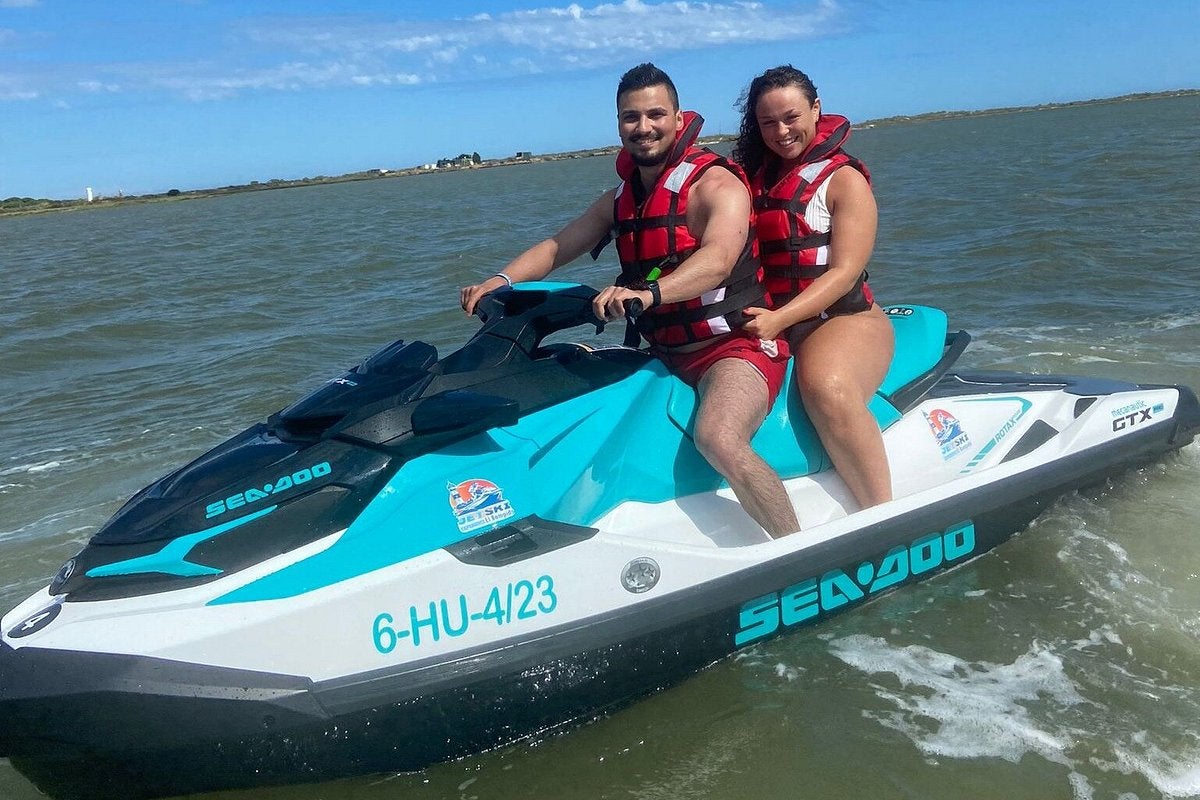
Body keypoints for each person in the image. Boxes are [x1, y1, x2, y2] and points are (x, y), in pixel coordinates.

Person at [460, 63, 800, 537]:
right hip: (660, 350)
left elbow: (718, 260)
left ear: (679, 119)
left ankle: (796, 547)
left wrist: (648, 293)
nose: (643, 128)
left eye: (655, 114)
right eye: (630, 117)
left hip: (731, 348)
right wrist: (500, 279)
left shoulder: (717, 185)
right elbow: (561, 245)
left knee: (719, 438)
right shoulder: (622, 198)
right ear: (619, 123)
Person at [732, 64, 894, 509]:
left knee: (827, 388)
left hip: (841, 319)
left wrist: (780, 318)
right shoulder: (749, 178)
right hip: (770, 320)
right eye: (768, 122)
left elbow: (843, 272)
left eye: (791, 117)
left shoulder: (845, 181)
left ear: (815, 109)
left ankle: (883, 513)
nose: (781, 131)